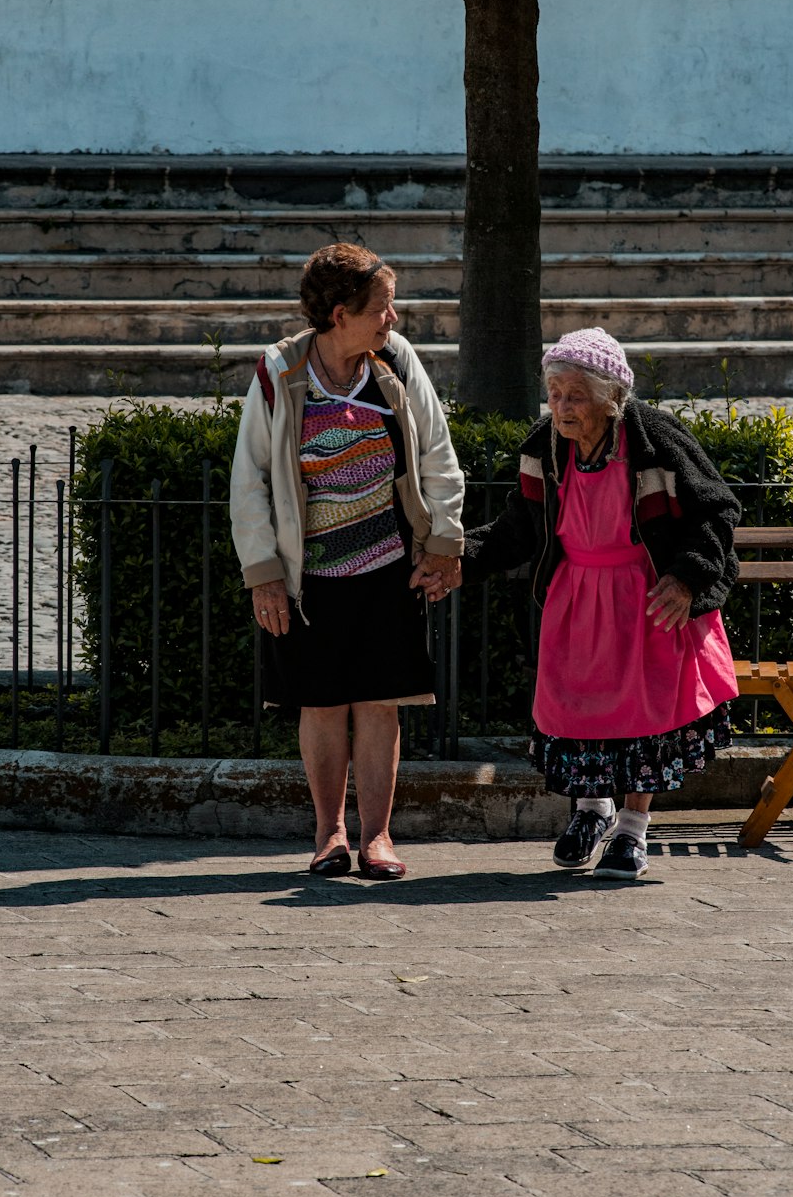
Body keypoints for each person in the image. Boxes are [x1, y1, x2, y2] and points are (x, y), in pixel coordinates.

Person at [454, 327, 740, 881]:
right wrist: (460, 560)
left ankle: (632, 830)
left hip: (647, 596)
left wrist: (687, 580)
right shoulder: (545, 444)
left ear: (611, 398)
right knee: (575, 708)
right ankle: (590, 811)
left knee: (643, 717)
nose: (561, 406)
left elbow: (716, 512)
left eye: (575, 395)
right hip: (576, 597)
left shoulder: (655, 438)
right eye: (555, 393)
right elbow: (519, 526)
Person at [230, 242, 464, 881]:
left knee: (382, 703)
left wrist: (444, 543)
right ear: (340, 314)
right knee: (323, 703)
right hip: (310, 576)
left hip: (389, 564)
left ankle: (378, 837)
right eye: (383, 308)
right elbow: (249, 479)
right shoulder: (279, 371)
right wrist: (264, 572)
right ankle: (329, 833)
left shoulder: (396, 361)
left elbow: (437, 454)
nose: (393, 320)